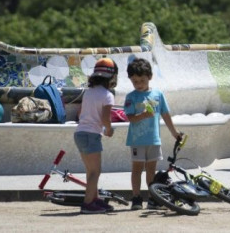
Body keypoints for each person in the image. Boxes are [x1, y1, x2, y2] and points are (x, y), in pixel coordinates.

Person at [124, 58, 182, 210]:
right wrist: (143, 115)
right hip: (137, 140)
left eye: (142, 80)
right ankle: (136, 197)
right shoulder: (131, 97)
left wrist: (174, 133)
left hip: (154, 140)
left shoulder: (157, 94)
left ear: (149, 77)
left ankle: (152, 197)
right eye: (135, 81)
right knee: (137, 169)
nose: (139, 84)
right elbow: (130, 118)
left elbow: (166, 115)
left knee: (151, 170)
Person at [73, 58, 118, 214]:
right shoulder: (108, 95)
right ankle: (87, 205)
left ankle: (95, 199)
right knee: (95, 172)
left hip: (79, 133)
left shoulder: (88, 92)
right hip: (92, 135)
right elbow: (106, 119)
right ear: (112, 77)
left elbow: (79, 113)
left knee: (90, 171)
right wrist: (109, 129)